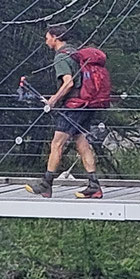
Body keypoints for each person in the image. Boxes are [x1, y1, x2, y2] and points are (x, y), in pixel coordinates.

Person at [29, 24, 103, 198]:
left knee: (56, 143)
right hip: (87, 104)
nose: (46, 41)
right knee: (81, 142)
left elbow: (68, 83)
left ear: (55, 37)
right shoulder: (75, 54)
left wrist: (53, 100)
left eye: (47, 37)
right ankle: (94, 186)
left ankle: (46, 184)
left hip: (74, 106)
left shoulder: (61, 58)